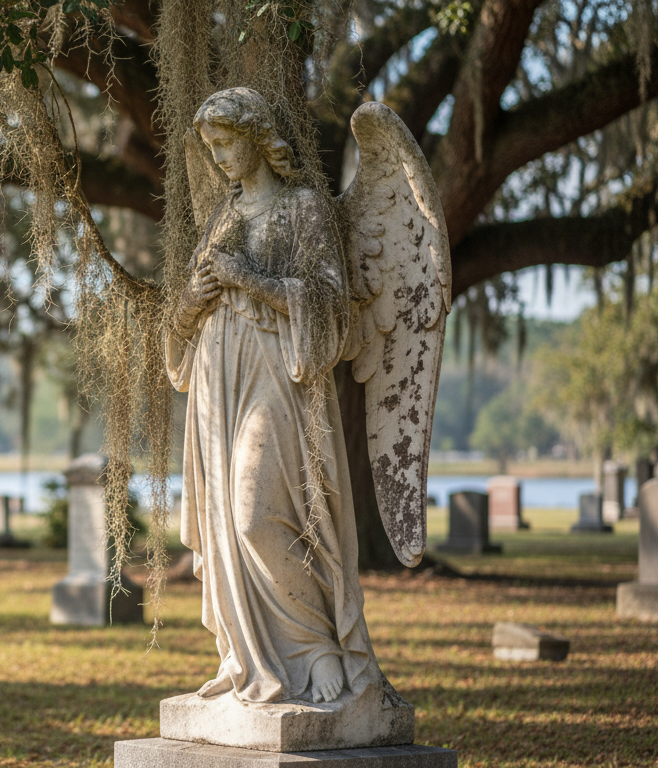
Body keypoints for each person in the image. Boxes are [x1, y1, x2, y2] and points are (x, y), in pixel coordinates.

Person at [166, 88, 380, 705]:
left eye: (228, 143)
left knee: (255, 516)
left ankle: (316, 650)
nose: (220, 159)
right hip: (216, 380)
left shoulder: (303, 208)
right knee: (227, 529)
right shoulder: (220, 218)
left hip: (275, 376)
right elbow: (181, 328)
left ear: (259, 138)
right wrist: (188, 307)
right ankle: (248, 658)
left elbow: (333, 307)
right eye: (211, 149)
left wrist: (250, 282)